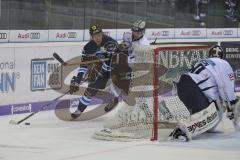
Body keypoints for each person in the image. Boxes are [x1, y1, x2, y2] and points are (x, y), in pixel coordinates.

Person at [169, 45, 240, 141]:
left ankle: (193, 124)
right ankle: (182, 131)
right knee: (218, 108)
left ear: (210, 54)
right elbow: (228, 87)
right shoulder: (223, 63)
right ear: (222, 56)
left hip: (182, 86)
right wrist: (231, 104)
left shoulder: (203, 61)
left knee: (209, 115)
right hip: (194, 88)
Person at [69, 24, 118, 119]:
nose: (98, 38)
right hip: (102, 71)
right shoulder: (88, 48)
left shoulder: (110, 43)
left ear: (102, 34)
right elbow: (83, 65)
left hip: (116, 69)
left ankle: (114, 97)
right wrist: (78, 80)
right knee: (91, 87)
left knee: (118, 84)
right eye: (95, 36)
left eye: (99, 35)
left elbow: (111, 63)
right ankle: (79, 110)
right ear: (91, 37)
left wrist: (99, 71)